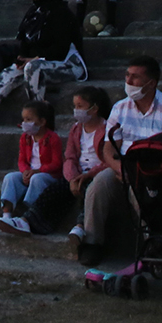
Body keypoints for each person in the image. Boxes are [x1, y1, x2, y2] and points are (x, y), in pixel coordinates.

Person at [76, 55, 162, 266]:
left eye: (136, 77)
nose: (128, 81)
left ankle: (154, 244)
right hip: (125, 165)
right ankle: (92, 244)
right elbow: (108, 147)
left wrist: (141, 174)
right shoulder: (120, 108)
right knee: (98, 186)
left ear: (152, 83)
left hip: (156, 172)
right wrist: (119, 167)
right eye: (127, 75)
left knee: (142, 190)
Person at [0, 99, 66, 235]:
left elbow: (56, 163)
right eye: (24, 119)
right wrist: (25, 172)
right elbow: (21, 160)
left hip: (47, 176)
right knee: (10, 177)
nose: (24, 123)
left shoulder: (52, 138)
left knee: (37, 179)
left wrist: (37, 171)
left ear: (42, 122)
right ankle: (6, 215)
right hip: (30, 174)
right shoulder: (25, 138)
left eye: (29, 119)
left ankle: (29, 216)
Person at [60, 86, 112, 242]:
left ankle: (81, 226)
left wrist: (87, 175)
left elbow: (108, 159)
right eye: (75, 106)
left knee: (89, 189)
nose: (76, 110)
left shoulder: (107, 129)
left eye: (80, 106)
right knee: (55, 188)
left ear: (94, 108)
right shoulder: (76, 129)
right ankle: (31, 221)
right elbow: (70, 156)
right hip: (78, 172)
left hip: (96, 173)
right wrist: (72, 178)